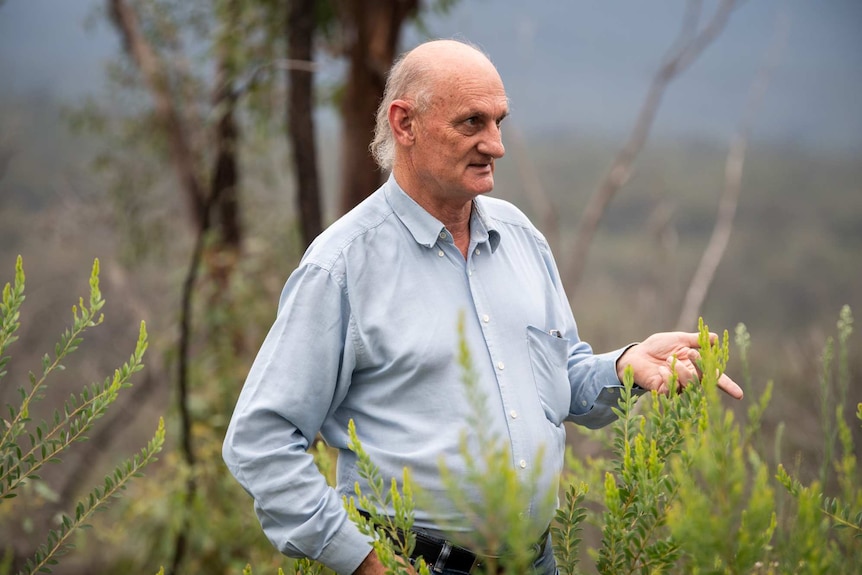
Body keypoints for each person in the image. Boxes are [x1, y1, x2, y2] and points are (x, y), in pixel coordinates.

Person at [222, 38, 744, 575]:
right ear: (405, 124)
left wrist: (623, 367)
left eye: (499, 121)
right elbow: (260, 441)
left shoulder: (521, 238)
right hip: (412, 565)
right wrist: (363, 562)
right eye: (472, 123)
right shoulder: (343, 265)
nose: (495, 145)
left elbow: (558, 384)